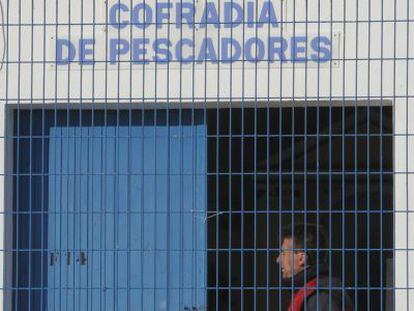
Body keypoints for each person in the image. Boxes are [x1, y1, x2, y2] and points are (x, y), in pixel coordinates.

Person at [276, 223, 353, 311]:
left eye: (284, 253)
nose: (278, 260)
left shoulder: (319, 298)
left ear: (301, 258)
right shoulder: (315, 292)